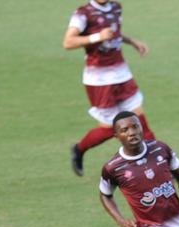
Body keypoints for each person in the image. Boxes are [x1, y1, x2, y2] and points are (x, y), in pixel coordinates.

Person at [64, 0, 152, 177]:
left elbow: (114, 33)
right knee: (110, 129)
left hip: (122, 75)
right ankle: (79, 149)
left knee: (139, 123)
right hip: (100, 80)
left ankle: (158, 165)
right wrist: (97, 37)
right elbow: (68, 42)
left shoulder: (116, 7)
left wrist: (132, 41)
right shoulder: (83, 13)